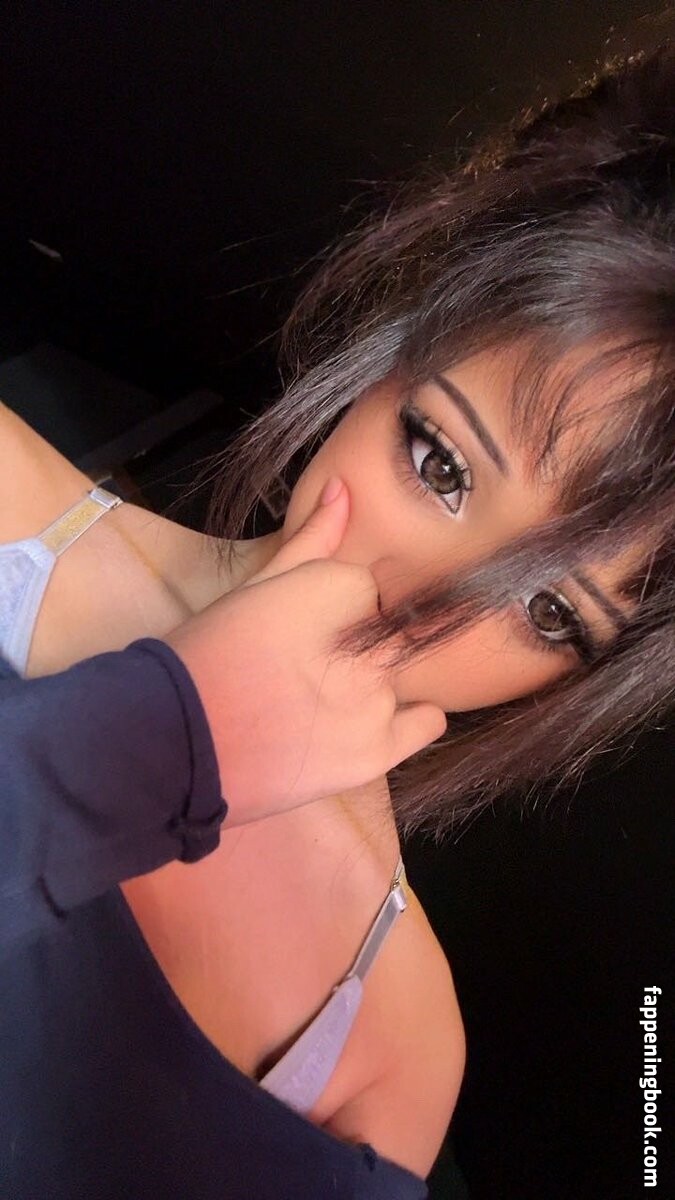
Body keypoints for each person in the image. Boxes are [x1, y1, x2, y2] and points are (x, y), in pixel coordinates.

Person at [2, 41, 674, 1200]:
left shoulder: (396, 1039)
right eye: (441, 465)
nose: (426, 610)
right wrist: (163, 740)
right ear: (395, 345)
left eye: (549, 610)